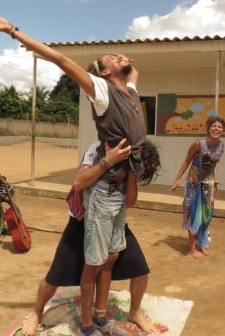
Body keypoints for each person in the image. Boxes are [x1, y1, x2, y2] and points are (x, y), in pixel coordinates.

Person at [0, 14, 159, 336]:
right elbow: (58, 58)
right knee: (92, 264)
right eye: (112, 58)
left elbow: (133, 71)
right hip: (101, 191)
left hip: (119, 190)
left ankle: (101, 318)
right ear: (103, 72)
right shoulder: (101, 90)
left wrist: (126, 62)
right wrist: (13, 31)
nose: (121, 57)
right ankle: (87, 325)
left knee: (113, 255)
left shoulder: (130, 91)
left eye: (122, 57)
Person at [22, 139, 157, 336]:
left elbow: (130, 202)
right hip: (82, 221)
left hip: (111, 219)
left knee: (139, 269)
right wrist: (107, 162)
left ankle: (133, 313)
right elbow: (79, 183)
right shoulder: (97, 149)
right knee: (55, 276)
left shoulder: (131, 157)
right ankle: (37, 312)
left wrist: (133, 174)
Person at [170, 116, 225, 259]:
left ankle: (202, 243)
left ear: (223, 131)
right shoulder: (198, 144)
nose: (216, 129)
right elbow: (187, 161)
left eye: (219, 127)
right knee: (193, 213)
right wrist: (177, 179)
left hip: (207, 184)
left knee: (207, 215)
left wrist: (214, 179)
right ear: (208, 128)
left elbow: (212, 165)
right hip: (193, 184)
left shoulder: (221, 146)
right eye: (214, 126)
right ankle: (192, 248)